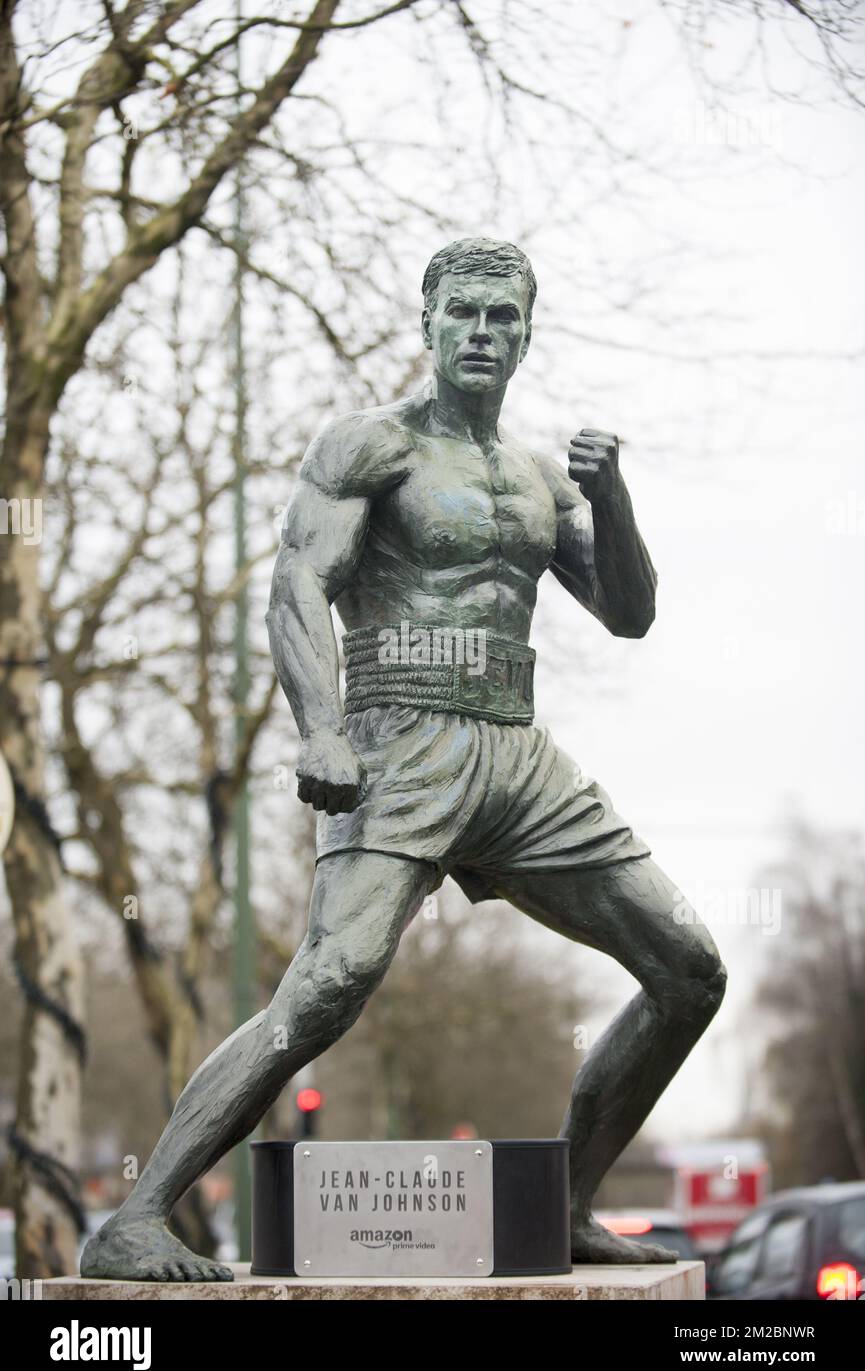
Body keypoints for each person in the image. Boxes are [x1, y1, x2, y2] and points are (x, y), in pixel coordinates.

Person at [82, 238, 726, 1281]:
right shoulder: (369, 447)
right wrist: (320, 728)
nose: (481, 331)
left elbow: (628, 614)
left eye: (502, 317)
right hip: (398, 738)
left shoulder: (536, 478)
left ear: (526, 333)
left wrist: (611, 499)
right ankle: (139, 1216)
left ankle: (564, 1207)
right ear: (427, 322)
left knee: (689, 972)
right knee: (327, 984)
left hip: (516, 751)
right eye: (462, 311)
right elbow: (297, 584)